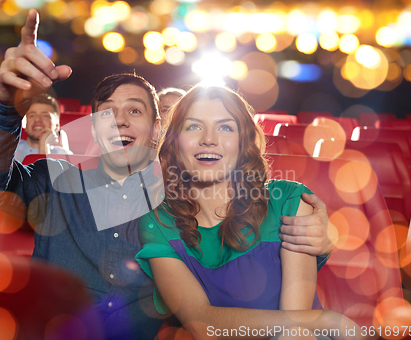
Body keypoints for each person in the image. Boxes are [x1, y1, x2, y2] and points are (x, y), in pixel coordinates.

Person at [0, 10, 335, 340]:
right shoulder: (53, 181)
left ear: (157, 129)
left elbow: (249, 248)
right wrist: (6, 104)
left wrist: (319, 236)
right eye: (107, 111)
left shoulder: (187, 200)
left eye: (135, 111)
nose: (119, 119)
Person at [136, 85, 363, 340]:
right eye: (194, 126)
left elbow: (295, 329)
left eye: (225, 127)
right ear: (174, 142)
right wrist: (326, 320)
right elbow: (203, 326)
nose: (209, 139)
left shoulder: (289, 201)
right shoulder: (157, 222)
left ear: (243, 142)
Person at [14, 93, 72, 161]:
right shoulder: (11, 150)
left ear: (57, 126)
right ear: (25, 125)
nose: (37, 119)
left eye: (45, 116)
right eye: (32, 115)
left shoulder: (65, 156)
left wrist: (44, 145)